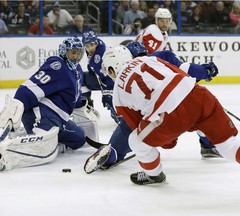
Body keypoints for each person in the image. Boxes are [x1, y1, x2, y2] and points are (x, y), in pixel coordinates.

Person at [100, 45, 240, 185]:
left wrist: (168, 140)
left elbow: (138, 125)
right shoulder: (149, 59)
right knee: (229, 146)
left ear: (112, 69)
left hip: (169, 115)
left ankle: (153, 174)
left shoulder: (117, 94)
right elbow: (180, 73)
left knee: (135, 141)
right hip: (199, 95)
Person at [84, 41, 219, 174]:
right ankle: (208, 145)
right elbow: (186, 71)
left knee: (130, 135)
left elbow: (130, 122)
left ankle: (116, 153)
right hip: (177, 106)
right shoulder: (158, 57)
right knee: (199, 112)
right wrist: (206, 71)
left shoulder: (120, 85)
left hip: (151, 114)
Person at [0, 36, 90, 171]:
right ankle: (7, 155)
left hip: (60, 119)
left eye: (79, 53)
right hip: (43, 114)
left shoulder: (77, 71)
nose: (76, 57)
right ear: (64, 51)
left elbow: (72, 97)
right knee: (40, 148)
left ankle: (49, 140)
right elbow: (30, 87)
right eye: (73, 52)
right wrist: (16, 105)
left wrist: (82, 105)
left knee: (79, 138)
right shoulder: (58, 65)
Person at [136, 8, 220, 157]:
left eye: (167, 20)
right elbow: (153, 59)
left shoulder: (160, 33)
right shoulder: (154, 32)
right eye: (161, 20)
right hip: (146, 78)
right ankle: (207, 144)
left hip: (145, 77)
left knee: (192, 107)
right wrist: (194, 73)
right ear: (156, 21)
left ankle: (206, 143)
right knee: (194, 107)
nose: (164, 23)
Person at [81, 30, 120, 123]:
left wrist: (108, 92)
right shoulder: (96, 49)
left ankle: (119, 113)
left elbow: (111, 75)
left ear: (96, 43)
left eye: (91, 45)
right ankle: (87, 105)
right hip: (105, 79)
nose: (90, 48)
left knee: (111, 100)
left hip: (115, 81)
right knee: (81, 78)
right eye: (87, 46)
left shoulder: (102, 54)